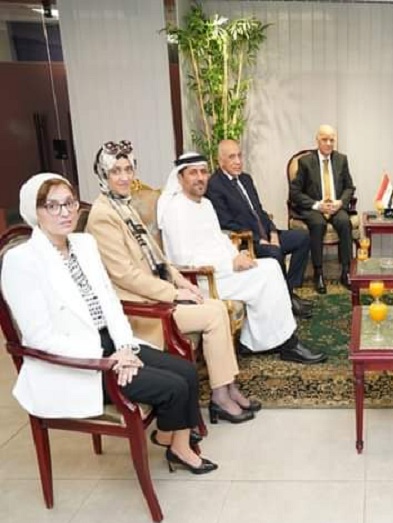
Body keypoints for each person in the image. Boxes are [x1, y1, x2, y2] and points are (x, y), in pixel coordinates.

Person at [2, 173, 216, 474]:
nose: (64, 213)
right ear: (35, 211)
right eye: (52, 206)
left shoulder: (84, 244)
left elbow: (109, 302)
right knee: (173, 387)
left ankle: (170, 438)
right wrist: (107, 360)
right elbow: (39, 338)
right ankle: (177, 446)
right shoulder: (21, 261)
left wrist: (125, 348)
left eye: (69, 203)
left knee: (186, 371)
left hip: (112, 343)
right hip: (74, 362)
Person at [85, 140, 256, 425]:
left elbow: (159, 257)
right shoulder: (103, 215)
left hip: (156, 295)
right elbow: (125, 275)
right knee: (215, 313)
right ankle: (221, 396)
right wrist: (173, 293)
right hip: (138, 310)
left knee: (215, 308)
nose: (125, 176)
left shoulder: (124, 207)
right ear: (103, 175)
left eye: (128, 169)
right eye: (116, 171)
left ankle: (226, 388)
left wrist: (183, 283)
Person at [158, 152, 327, 365]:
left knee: (271, 266)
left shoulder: (205, 204)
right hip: (203, 280)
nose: (200, 177)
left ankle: (256, 342)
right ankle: (287, 344)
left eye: (203, 172)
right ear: (180, 178)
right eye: (193, 173)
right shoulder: (176, 210)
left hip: (223, 271)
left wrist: (237, 255)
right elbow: (183, 259)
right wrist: (229, 263)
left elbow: (219, 239)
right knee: (267, 274)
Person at [207, 139, 312, 318]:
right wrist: (257, 239)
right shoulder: (215, 185)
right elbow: (226, 223)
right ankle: (286, 301)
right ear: (220, 161)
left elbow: (259, 210)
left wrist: (272, 232)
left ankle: (289, 290)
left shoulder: (246, 179)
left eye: (239, 155)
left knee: (302, 237)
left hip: (265, 233)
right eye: (232, 157)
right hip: (246, 241)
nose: (238, 161)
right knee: (274, 253)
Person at [289, 124, 355, 294]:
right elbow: (295, 192)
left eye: (332, 140)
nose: (328, 143)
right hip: (315, 207)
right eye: (325, 139)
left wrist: (340, 202)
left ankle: (346, 271)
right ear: (317, 140)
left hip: (335, 206)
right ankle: (318, 272)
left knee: (344, 222)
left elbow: (350, 187)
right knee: (318, 224)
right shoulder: (305, 162)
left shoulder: (342, 159)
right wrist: (318, 205)